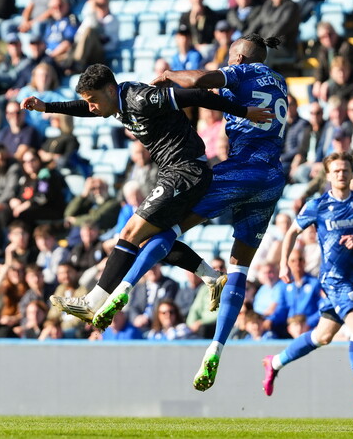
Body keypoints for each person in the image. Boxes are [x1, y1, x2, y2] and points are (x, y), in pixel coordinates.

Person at [94, 35, 289, 390]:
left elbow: (200, 81)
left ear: (240, 57)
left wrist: (169, 74)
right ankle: (216, 348)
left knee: (164, 228)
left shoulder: (244, 71)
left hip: (242, 169)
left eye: (230, 58)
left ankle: (122, 289)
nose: (228, 63)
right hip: (273, 179)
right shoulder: (279, 81)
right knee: (239, 269)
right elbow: (217, 98)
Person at [22, 63, 274, 328]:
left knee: (130, 232)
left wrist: (245, 112)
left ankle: (94, 301)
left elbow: (197, 95)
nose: (92, 107)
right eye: (89, 102)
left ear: (110, 89)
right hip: (173, 172)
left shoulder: (140, 99)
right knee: (150, 240)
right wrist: (47, 107)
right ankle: (212, 277)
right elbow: (85, 107)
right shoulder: (113, 103)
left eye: (94, 100)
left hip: (186, 170)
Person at [262, 151, 353, 414]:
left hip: (352, 280)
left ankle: (275, 362)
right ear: (329, 175)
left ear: (352, 173)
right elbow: (291, 232)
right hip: (334, 280)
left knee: (322, 336)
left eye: (345, 170)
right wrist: (284, 263)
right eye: (336, 171)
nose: (341, 174)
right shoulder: (317, 205)